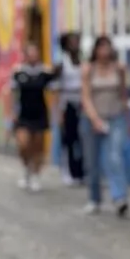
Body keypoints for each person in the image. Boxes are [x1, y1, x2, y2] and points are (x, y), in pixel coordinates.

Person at [83, 34, 130, 218]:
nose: (104, 51)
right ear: (95, 51)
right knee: (93, 162)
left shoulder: (118, 69)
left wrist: (128, 117)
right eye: (101, 48)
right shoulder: (89, 70)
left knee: (115, 156)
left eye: (107, 47)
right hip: (94, 118)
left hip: (115, 116)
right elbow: (86, 96)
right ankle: (94, 199)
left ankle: (120, 197)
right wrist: (94, 119)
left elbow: (123, 93)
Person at [11, 40, 56, 193]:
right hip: (23, 114)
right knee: (23, 144)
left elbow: (54, 92)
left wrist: (56, 112)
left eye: (35, 52)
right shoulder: (18, 72)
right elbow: (11, 93)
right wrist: (11, 112)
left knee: (38, 146)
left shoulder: (45, 72)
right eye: (30, 52)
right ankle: (26, 169)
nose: (33, 55)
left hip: (40, 114)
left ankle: (36, 175)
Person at [56, 32, 84, 186]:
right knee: (68, 139)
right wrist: (58, 111)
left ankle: (80, 171)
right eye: (72, 42)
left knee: (82, 139)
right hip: (67, 104)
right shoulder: (62, 64)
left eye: (77, 41)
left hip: (82, 103)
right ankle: (66, 171)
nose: (75, 44)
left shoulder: (83, 61)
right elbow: (57, 88)